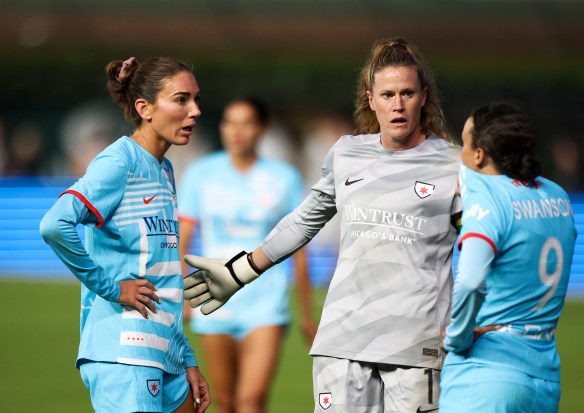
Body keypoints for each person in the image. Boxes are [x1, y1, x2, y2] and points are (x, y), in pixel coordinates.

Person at [184, 37, 462, 412]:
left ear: (424, 96)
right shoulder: (347, 153)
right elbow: (304, 221)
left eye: (408, 93)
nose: (397, 105)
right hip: (342, 340)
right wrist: (240, 271)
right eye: (388, 94)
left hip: (415, 344)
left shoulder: (454, 165)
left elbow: (483, 244)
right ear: (370, 98)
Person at [40, 56, 211, 413]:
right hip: (123, 353)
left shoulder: (164, 170)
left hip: (165, 354)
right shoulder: (119, 162)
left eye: (195, 99)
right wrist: (113, 288)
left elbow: (163, 274)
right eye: (181, 100)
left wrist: (186, 357)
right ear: (144, 108)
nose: (195, 110)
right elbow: (55, 224)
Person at [178, 97, 318, 413]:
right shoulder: (201, 173)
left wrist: (307, 315)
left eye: (246, 122)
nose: (236, 131)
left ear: (262, 129)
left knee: (251, 401)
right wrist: (183, 297)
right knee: (225, 402)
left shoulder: (285, 178)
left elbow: (298, 249)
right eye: (229, 122)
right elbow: (181, 241)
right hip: (213, 302)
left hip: (266, 304)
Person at [439, 101, 577, 412]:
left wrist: (457, 339)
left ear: (479, 154)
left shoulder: (487, 200)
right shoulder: (557, 197)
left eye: (465, 142)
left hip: (487, 377)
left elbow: (471, 281)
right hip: (544, 377)